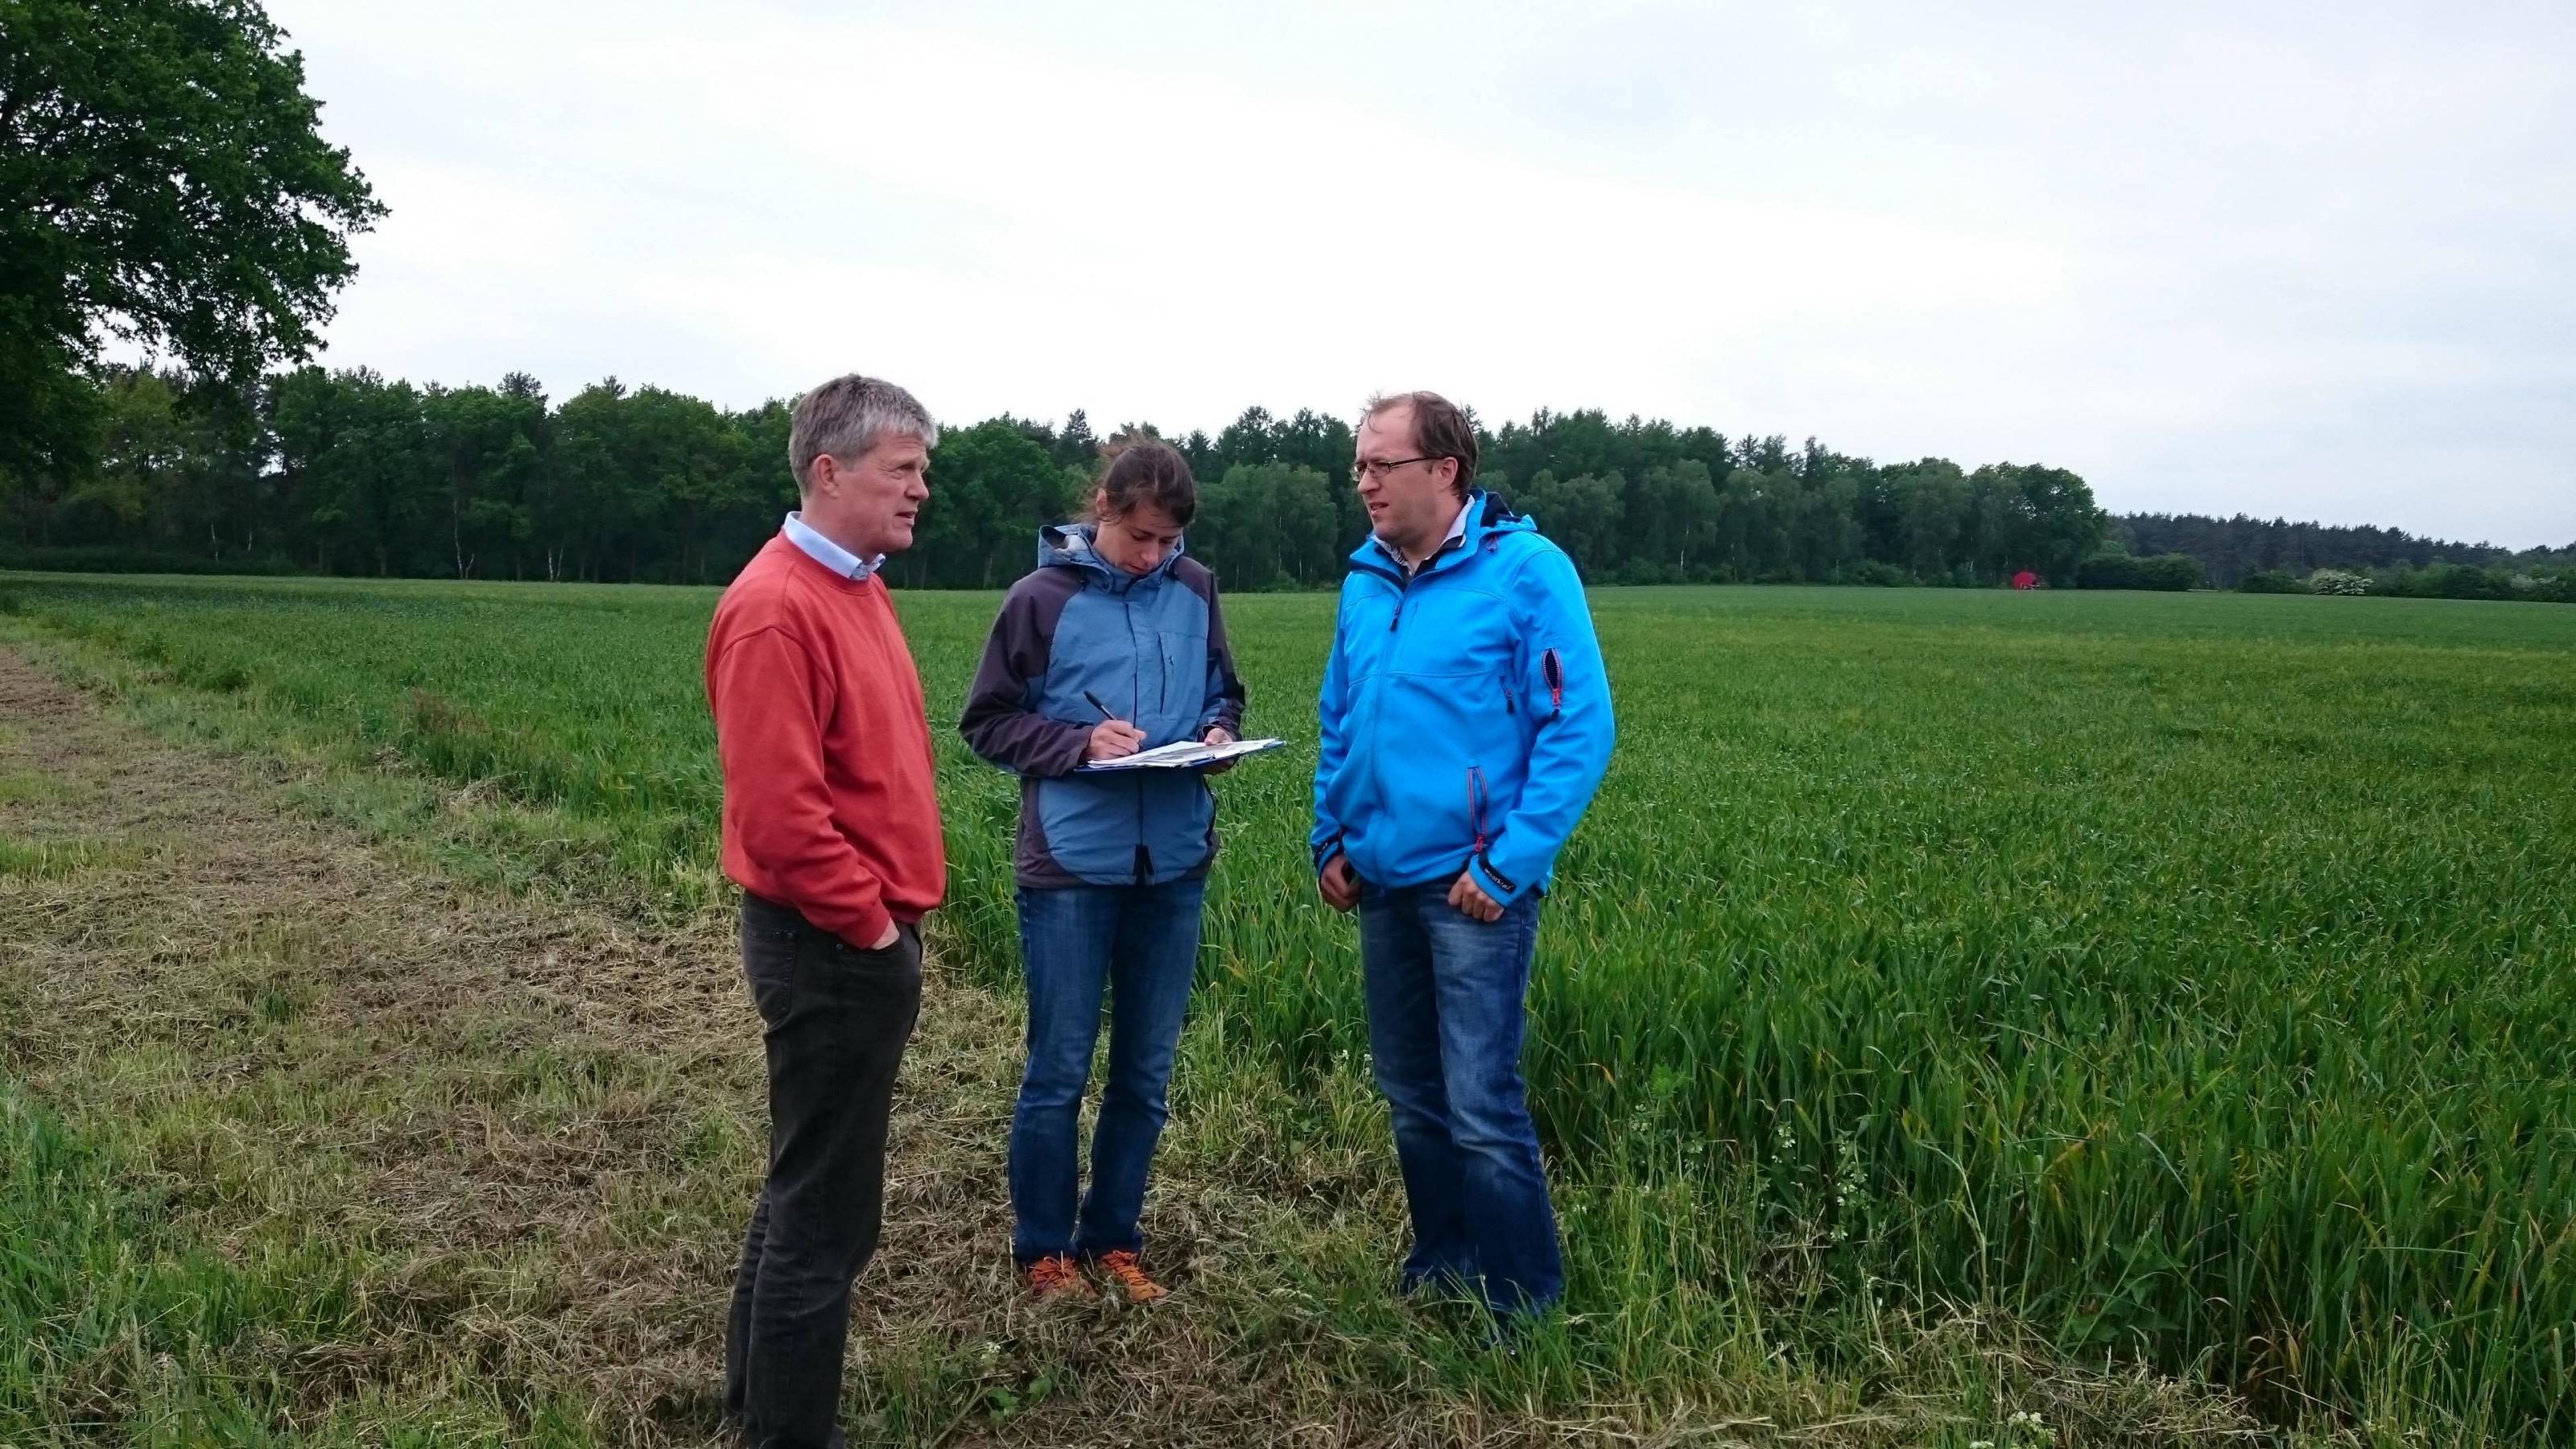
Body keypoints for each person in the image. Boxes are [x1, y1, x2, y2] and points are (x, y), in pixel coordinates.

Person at [1310, 390, 1616, 1321]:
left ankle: (1522, 1303)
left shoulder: (1524, 571)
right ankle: (1439, 1264)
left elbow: (1578, 726)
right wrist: (1330, 833)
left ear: (1442, 471)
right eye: (1358, 464)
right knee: (1410, 1096)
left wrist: (1507, 863)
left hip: (1472, 887)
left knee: (1481, 1105)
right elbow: (1338, 716)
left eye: (1380, 464)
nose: (1362, 481)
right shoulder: (1364, 580)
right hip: (1379, 880)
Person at [705, 374, 944, 1447]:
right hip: (831, 944)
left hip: (849, 938)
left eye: (922, 471)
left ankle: (754, 1401)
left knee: (804, 1179)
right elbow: (782, 819)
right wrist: (874, 931)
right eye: (903, 470)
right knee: (829, 1216)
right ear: (829, 471)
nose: (921, 492)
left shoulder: (856, 586)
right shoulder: (776, 609)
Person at [960, 437, 1245, 1303]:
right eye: (1139, 537)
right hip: (1070, 868)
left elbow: (1222, 690)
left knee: (1144, 1074)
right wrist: (1076, 741)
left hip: (1173, 864)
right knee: (1058, 1070)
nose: (1154, 555)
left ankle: (1113, 1239)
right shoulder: (1038, 600)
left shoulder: (1195, 590)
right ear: (1102, 512)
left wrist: (1219, 734)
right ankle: (1043, 1253)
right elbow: (986, 723)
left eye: (1167, 541)